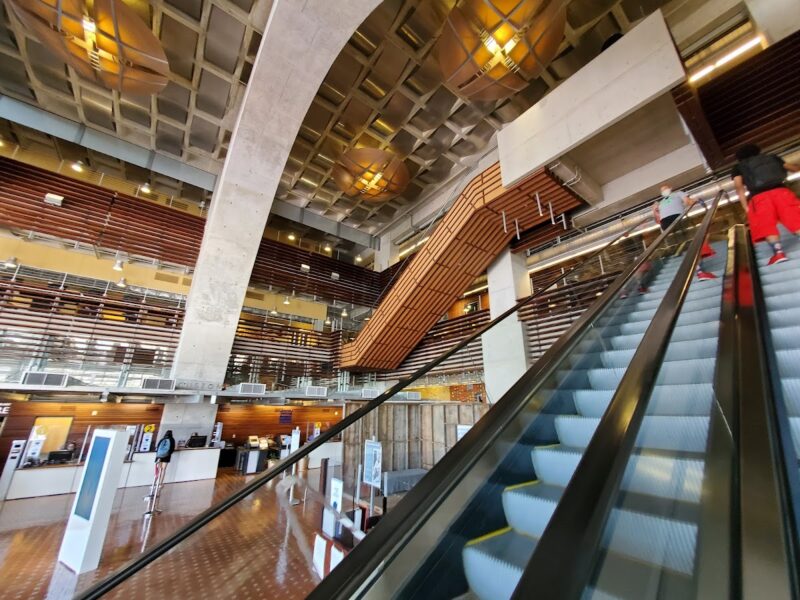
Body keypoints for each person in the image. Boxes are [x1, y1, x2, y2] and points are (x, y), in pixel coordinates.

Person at [733, 144, 800, 265]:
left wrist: (745, 206)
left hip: (759, 198)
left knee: (766, 224)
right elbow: (792, 168)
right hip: (782, 192)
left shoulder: (738, 167)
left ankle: (778, 253)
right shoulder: (772, 158)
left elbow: (739, 187)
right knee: (795, 218)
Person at [653, 184, 717, 280]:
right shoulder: (677, 194)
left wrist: (655, 211)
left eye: (665, 189)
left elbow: (657, 220)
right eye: (663, 190)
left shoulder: (662, 202)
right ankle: (699, 271)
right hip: (678, 220)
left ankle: (695, 269)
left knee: (686, 246)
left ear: (670, 188)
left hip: (666, 226)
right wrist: (697, 199)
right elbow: (688, 202)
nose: (664, 191)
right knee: (696, 242)